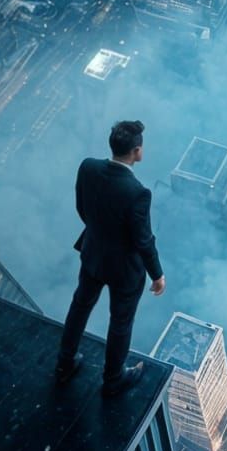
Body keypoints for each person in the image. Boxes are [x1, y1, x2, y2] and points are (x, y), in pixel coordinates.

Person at [55, 119, 165, 396]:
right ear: (136, 152)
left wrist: (99, 233)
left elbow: (82, 208)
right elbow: (143, 240)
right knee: (120, 322)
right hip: (124, 269)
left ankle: (64, 363)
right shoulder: (138, 192)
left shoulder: (88, 167)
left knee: (80, 306)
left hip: (92, 253)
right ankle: (113, 378)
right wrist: (157, 275)